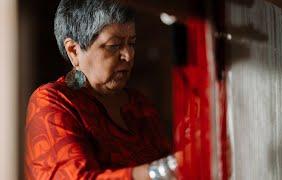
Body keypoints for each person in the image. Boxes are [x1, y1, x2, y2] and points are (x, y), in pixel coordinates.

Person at [24, 0, 179, 179]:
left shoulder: (139, 105)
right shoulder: (53, 101)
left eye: (132, 43)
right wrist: (166, 169)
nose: (128, 55)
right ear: (73, 50)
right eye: (114, 46)